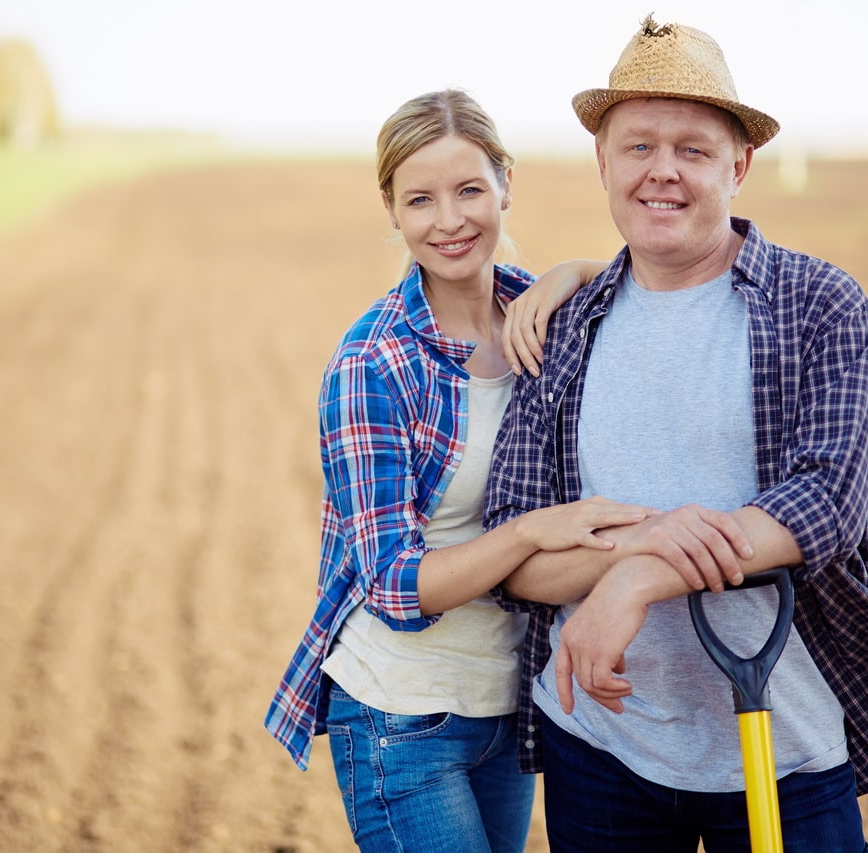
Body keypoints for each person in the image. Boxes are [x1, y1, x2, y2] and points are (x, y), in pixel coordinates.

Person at [483, 15, 868, 851]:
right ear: (603, 160)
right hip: (600, 750)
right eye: (638, 147)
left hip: (786, 750)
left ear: (739, 166)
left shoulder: (820, 306)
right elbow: (515, 558)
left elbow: (825, 504)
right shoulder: (560, 329)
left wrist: (637, 577)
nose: (662, 170)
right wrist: (639, 555)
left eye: (694, 150)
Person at [264, 89, 649, 853]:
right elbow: (394, 586)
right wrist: (533, 531)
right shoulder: (372, 362)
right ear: (392, 210)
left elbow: (663, 289)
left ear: (506, 183)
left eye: (470, 189)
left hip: (506, 705)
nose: (449, 220)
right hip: (400, 716)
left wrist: (576, 270)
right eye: (421, 200)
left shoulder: (538, 310)